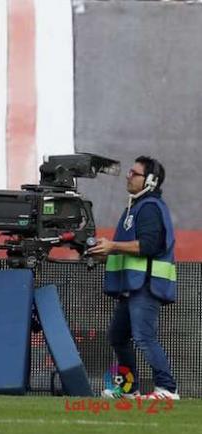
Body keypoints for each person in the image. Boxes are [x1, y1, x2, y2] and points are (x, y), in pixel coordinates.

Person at [89, 156, 178, 400]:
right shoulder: (136, 206)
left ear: (150, 181)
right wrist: (105, 254)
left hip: (145, 285)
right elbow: (127, 248)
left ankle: (167, 389)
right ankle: (129, 389)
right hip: (132, 285)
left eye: (134, 173)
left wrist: (112, 246)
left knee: (144, 337)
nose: (128, 176)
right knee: (118, 336)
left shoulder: (149, 207)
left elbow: (150, 245)